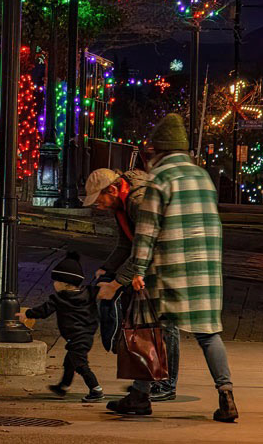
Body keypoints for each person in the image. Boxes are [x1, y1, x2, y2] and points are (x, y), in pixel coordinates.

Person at [98, 113, 239, 423]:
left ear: (159, 151)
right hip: (206, 271)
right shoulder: (203, 177)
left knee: (149, 331)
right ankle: (226, 393)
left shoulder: (159, 181)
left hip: (170, 269)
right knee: (209, 335)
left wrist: (136, 272)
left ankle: (139, 396)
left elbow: (146, 232)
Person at [82, 167, 180, 402]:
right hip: (153, 261)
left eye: (100, 199)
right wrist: (107, 268)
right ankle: (146, 384)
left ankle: (166, 384)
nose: (99, 206)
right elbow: (127, 242)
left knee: (166, 323)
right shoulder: (121, 204)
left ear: (113, 190)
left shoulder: (138, 200)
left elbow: (144, 248)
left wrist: (115, 284)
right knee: (150, 322)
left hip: (168, 259)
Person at [16, 251, 104, 403]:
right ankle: (63, 386)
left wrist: (27, 314)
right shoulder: (89, 293)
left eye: (55, 281)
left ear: (65, 283)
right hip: (87, 335)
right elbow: (103, 291)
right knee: (69, 361)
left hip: (76, 337)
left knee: (80, 364)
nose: (53, 284)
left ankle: (96, 389)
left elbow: (44, 310)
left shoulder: (59, 298)